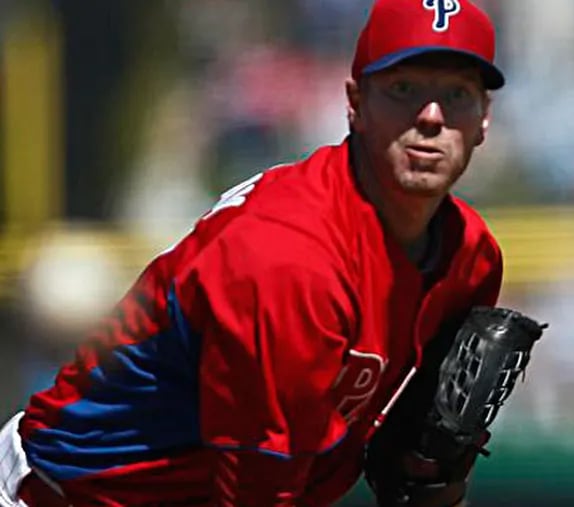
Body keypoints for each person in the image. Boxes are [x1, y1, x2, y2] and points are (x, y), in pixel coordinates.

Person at [0, 0, 506, 505]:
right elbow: (254, 493)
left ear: (484, 118)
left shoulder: (469, 258)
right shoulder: (287, 258)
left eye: (458, 93)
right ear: (355, 103)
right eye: (404, 89)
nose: (432, 117)